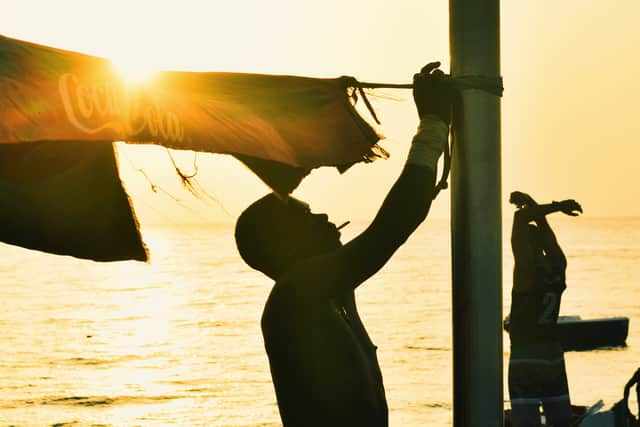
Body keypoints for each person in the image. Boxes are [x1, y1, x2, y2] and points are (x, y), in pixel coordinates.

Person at [234, 62, 453, 427]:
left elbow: (395, 223)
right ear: (283, 243)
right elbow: (389, 230)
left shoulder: (324, 294)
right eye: (307, 218)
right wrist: (432, 123)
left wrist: (420, 192)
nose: (324, 220)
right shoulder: (297, 293)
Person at [507, 191, 583, 427]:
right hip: (552, 357)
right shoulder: (558, 266)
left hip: (525, 358)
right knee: (561, 423)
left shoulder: (525, 271)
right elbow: (549, 239)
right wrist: (536, 205)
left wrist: (552, 206)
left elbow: (520, 221)